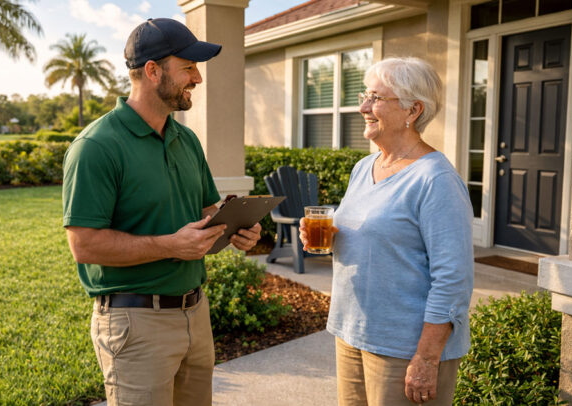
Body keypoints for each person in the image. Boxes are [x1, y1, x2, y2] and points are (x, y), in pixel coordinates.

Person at [62, 18, 262, 406]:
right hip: (136, 324)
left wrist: (234, 227)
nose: (197, 78)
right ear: (153, 71)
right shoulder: (96, 147)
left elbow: (206, 212)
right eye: (188, 67)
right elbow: (84, 245)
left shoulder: (186, 140)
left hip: (196, 314)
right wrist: (171, 245)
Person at [299, 57, 474, 405]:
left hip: (404, 349)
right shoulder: (365, 167)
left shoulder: (436, 180)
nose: (363, 107)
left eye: (375, 98)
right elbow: (377, 237)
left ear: (413, 110)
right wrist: (331, 239)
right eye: (365, 96)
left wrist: (426, 358)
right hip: (352, 334)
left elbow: (453, 279)